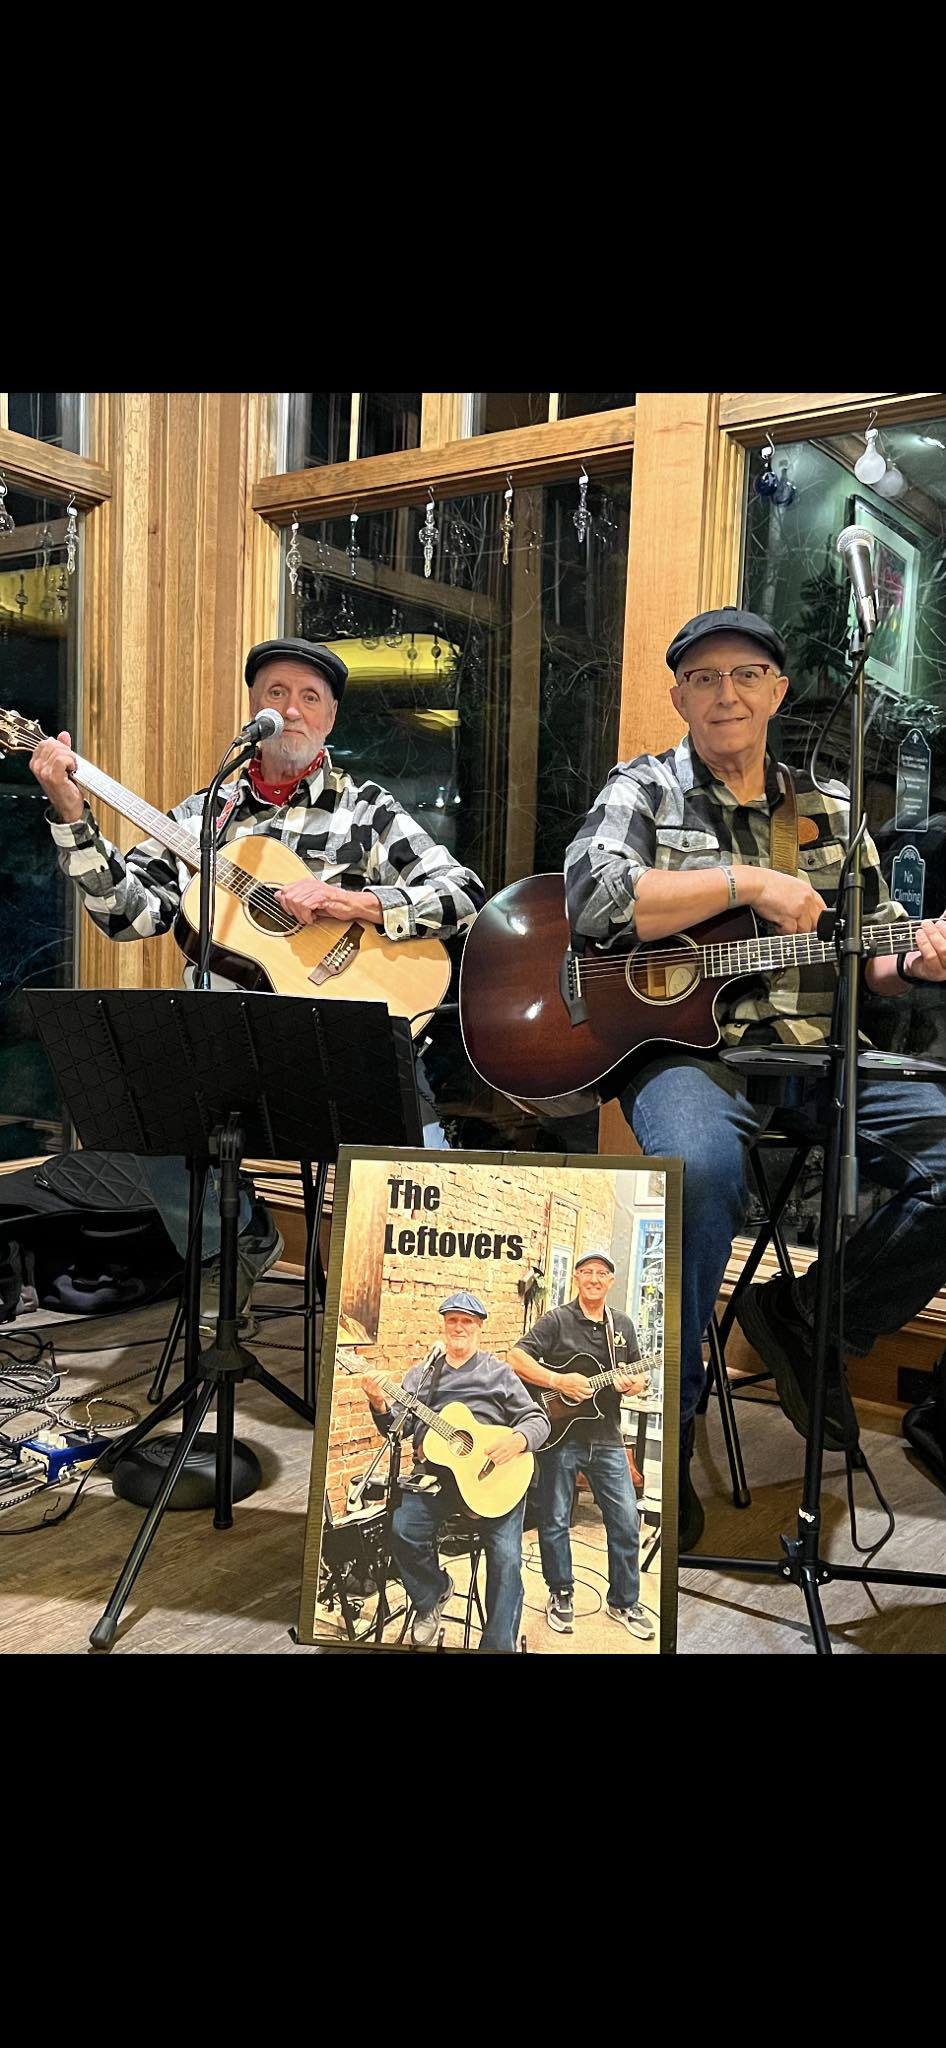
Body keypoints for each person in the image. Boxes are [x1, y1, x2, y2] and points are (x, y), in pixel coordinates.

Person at [564, 606, 946, 1548]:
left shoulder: (830, 812)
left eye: (744, 675)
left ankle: (812, 1319)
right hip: (691, 1057)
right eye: (703, 678)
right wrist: (752, 883)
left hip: (817, 1051)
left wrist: (916, 960)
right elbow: (594, 895)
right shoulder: (644, 789)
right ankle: (666, 1423)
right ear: (679, 698)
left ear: (776, 691)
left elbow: (871, 954)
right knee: (696, 1173)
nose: (724, 694)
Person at [30, 637, 485, 1327]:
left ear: (330, 717)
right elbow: (129, 915)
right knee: (144, 1092)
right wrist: (72, 815)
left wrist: (351, 902)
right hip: (234, 1050)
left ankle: (419, 1315)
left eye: (309, 697)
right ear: (254, 708)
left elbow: (462, 894)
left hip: (348, 1037)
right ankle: (234, 1243)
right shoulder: (203, 816)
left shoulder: (365, 809)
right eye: (276, 694)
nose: (291, 710)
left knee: (418, 1174)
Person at [362, 1290, 550, 1652]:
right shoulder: (423, 1375)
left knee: (507, 1558)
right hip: (437, 1479)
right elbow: (396, 1429)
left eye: (467, 1321)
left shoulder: (499, 1374)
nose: (458, 1327)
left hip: (494, 1478)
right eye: (452, 1320)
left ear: (479, 1327)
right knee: (402, 1528)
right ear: (444, 1325)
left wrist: (518, 1440)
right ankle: (432, 1593)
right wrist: (378, 1401)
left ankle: (497, 1646)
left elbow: (537, 1419)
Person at [508, 1248, 655, 1640]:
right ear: (576, 1278)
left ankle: (624, 1600)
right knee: (555, 1520)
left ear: (611, 1281)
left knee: (625, 1521)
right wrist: (558, 1381)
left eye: (601, 1273)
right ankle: (561, 1592)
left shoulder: (622, 1325)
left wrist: (633, 1383)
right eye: (587, 1271)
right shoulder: (556, 1320)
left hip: (607, 1438)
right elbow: (515, 1357)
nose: (594, 1278)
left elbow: (639, 1374)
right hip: (560, 1438)